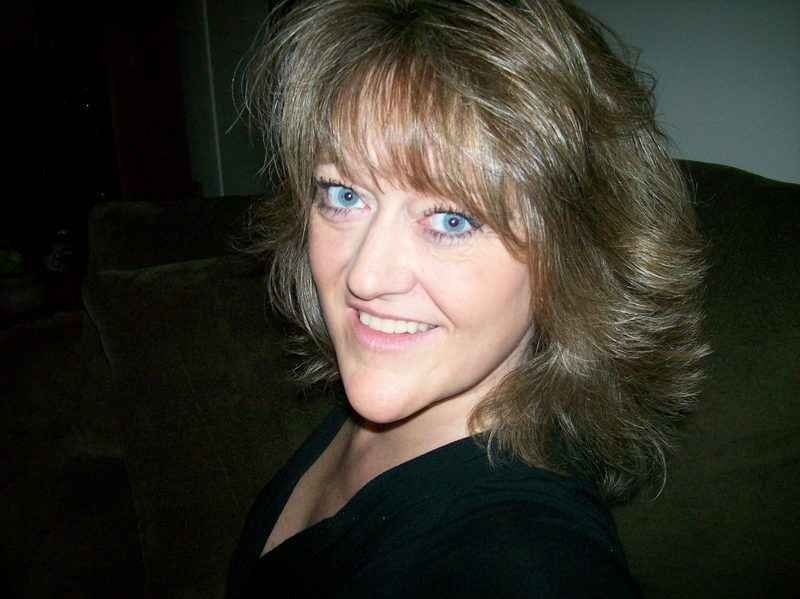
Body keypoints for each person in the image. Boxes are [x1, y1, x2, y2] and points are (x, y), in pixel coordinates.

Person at [226, 0, 707, 596]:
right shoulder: (396, 396)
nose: (366, 277)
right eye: (345, 195)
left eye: (452, 220)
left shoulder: (527, 561)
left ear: (574, 252)